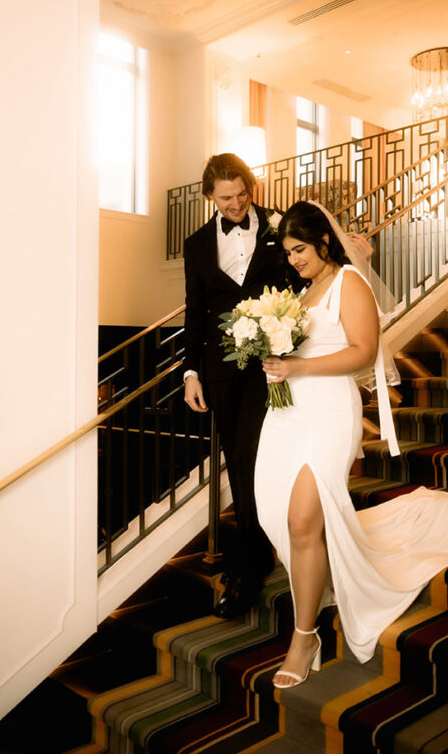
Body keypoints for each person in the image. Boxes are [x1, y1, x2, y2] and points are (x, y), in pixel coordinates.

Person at [254, 201, 448, 688]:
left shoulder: (349, 283)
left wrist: (296, 367)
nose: (293, 259)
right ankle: (314, 582)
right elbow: (293, 349)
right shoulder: (301, 292)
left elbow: (362, 351)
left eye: (299, 249)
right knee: (274, 515)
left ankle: (305, 637)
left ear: (323, 241)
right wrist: (272, 359)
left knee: (302, 519)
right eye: (288, 252)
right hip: (285, 414)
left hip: (329, 414)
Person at [182, 153, 286, 617]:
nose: (238, 203)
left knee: (250, 457)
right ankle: (257, 552)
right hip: (221, 369)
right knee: (238, 459)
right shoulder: (196, 244)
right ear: (210, 197)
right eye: (226, 198)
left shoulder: (279, 226)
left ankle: (245, 569)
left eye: (243, 194)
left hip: (272, 364)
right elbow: (194, 312)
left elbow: (307, 276)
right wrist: (190, 374)